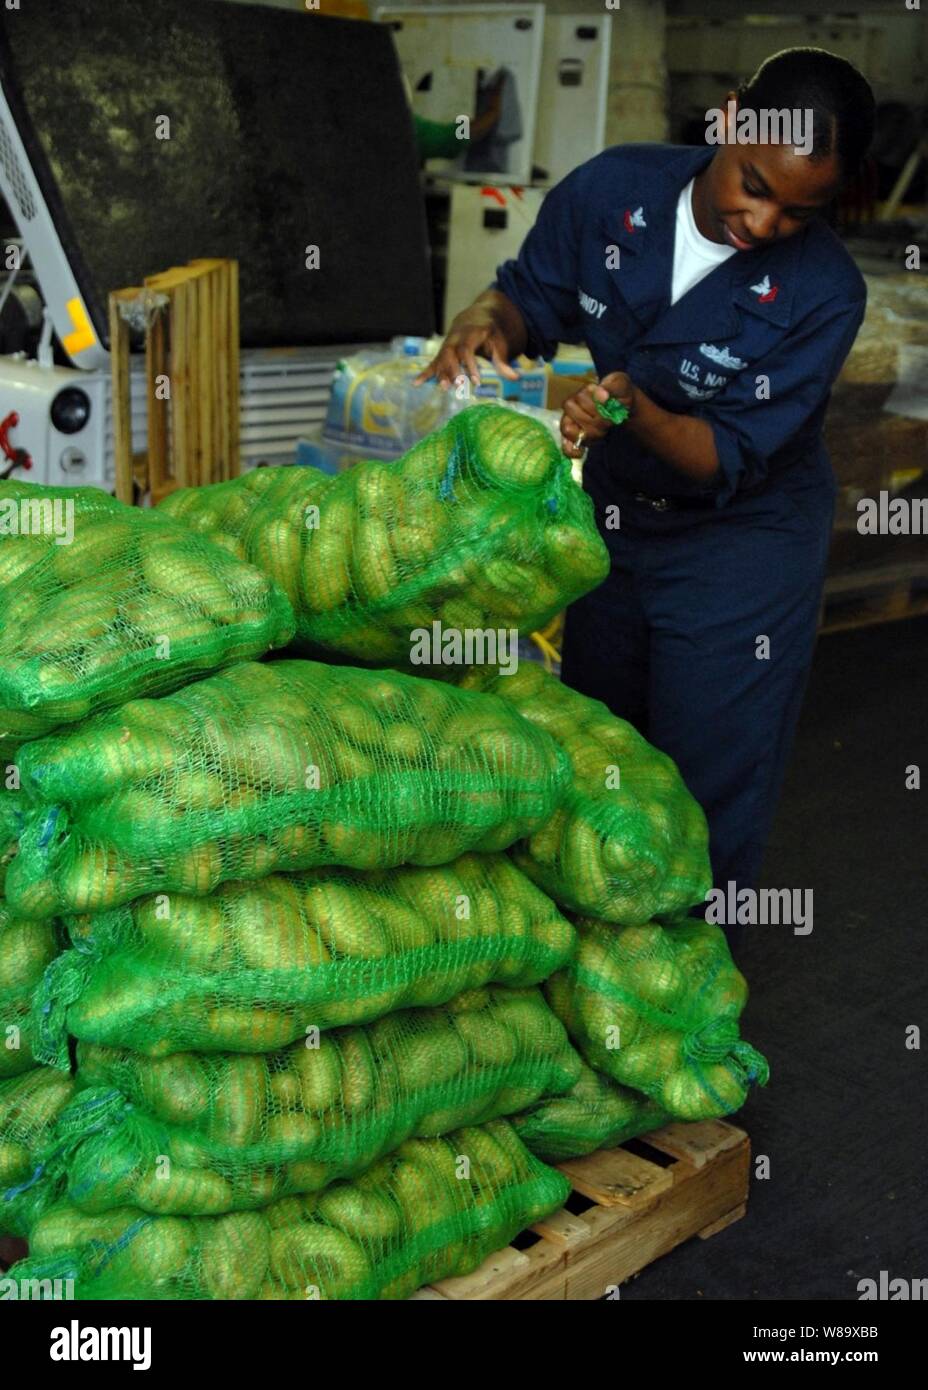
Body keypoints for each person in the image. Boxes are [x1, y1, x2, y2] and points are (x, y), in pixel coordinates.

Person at [417, 48, 876, 957]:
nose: (763, 219)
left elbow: (719, 454)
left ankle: (683, 1000)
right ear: (731, 120)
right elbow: (529, 298)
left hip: (740, 545)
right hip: (618, 525)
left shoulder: (826, 291)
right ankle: (585, 974)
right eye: (754, 184)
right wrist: (486, 323)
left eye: (797, 210)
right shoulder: (610, 192)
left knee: (706, 778)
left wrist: (629, 400)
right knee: (598, 744)